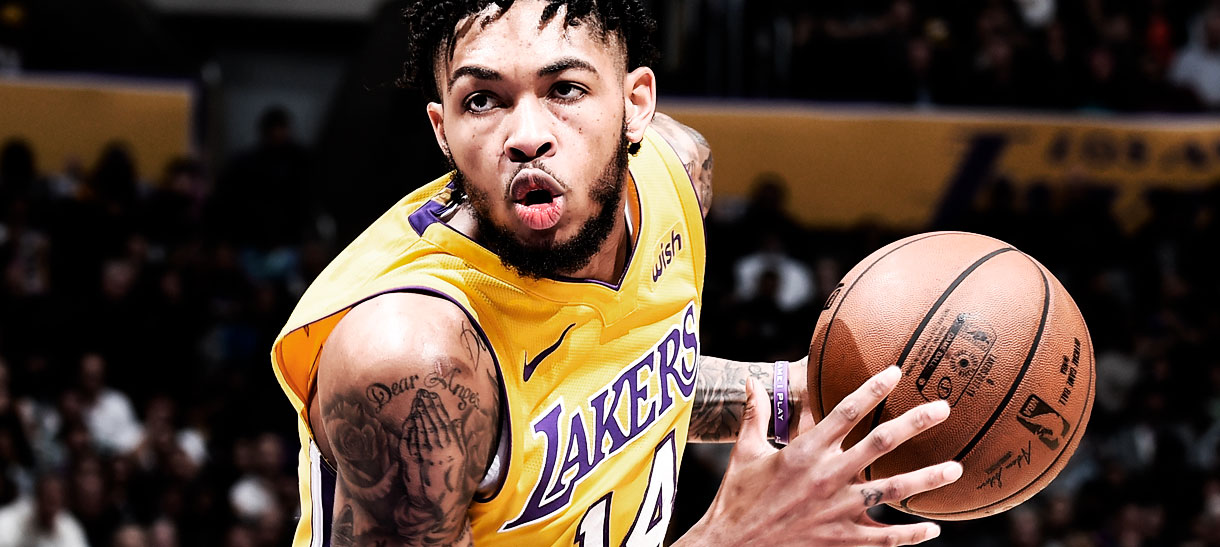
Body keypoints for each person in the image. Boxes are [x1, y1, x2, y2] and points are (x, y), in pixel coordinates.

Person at [271, 1, 961, 545]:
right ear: (441, 130)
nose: (526, 136)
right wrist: (730, 538)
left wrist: (792, 396)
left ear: (637, 105)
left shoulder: (676, 175)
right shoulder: (411, 360)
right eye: (482, 100)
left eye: (565, 89)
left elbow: (622, 381)